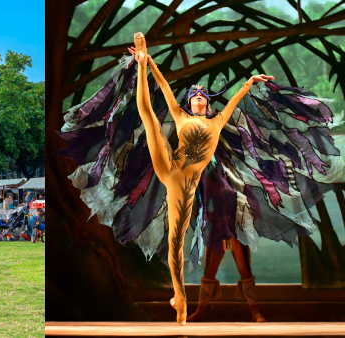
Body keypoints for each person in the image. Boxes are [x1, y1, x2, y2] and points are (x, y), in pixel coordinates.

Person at [57, 31, 345, 326]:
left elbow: (234, 101)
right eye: (193, 96)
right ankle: (139, 63)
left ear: (207, 104)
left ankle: (180, 299)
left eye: (201, 97)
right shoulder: (181, 117)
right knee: (148, 116)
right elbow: (166, 90)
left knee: (176, 242)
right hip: (169, 166)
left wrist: (250, 83)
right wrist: (150, 64)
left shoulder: (218, 121)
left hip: (185, 184)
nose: (196, 98)